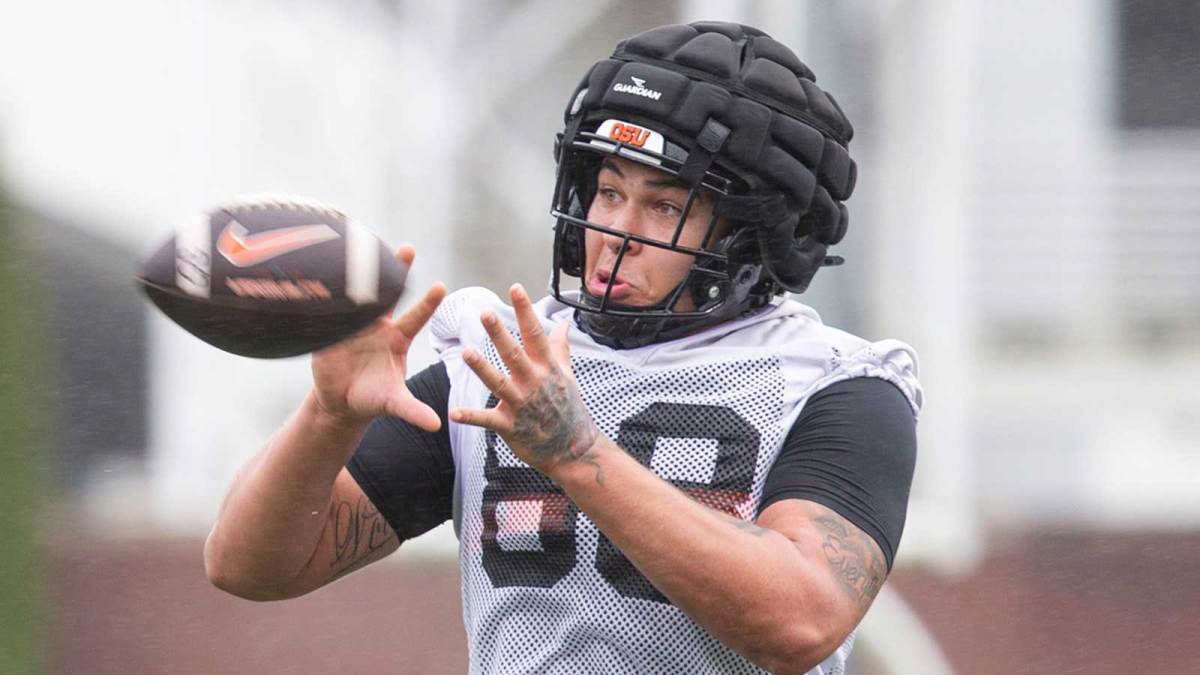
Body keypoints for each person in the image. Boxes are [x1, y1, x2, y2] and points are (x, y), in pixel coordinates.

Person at [204, 21, 921, 675]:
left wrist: (576, 454)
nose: (617, 228)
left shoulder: (841, 384)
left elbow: (800, 621)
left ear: (754, 236)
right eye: (608, 191)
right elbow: (247, 565)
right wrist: (327, 418)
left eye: (665, 205)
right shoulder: (500, 364)